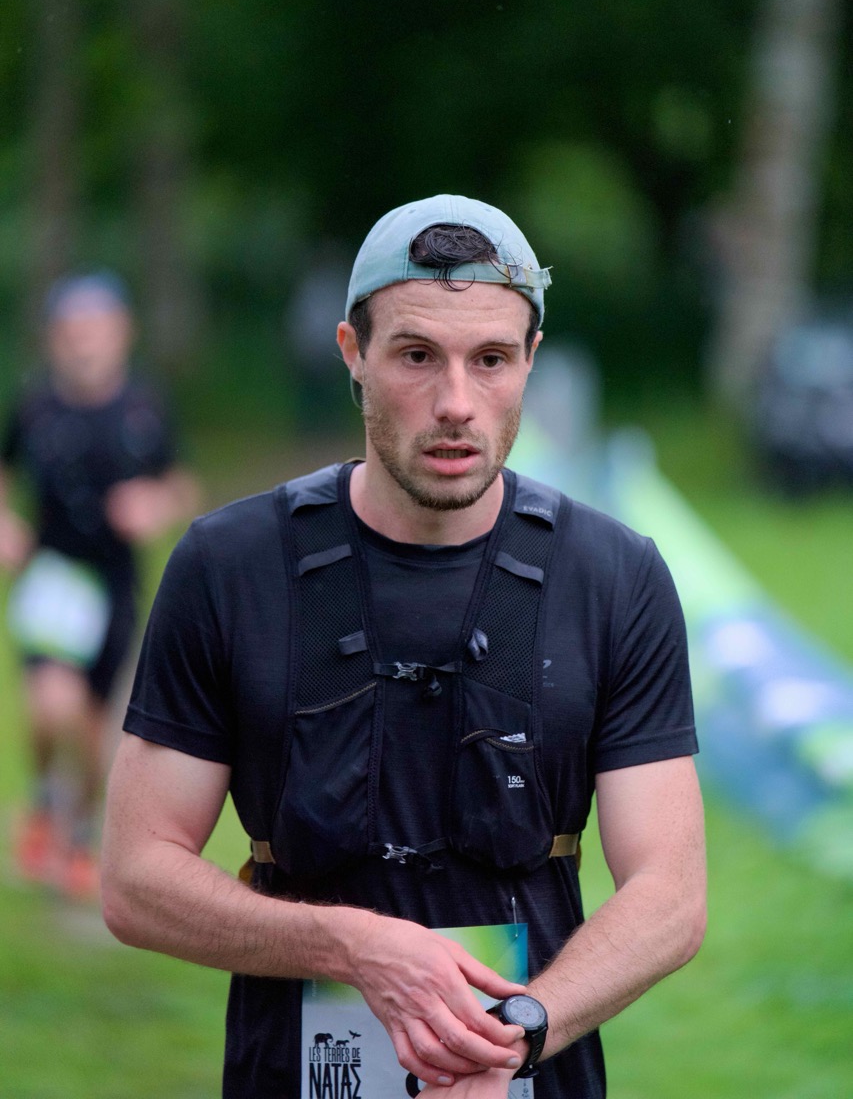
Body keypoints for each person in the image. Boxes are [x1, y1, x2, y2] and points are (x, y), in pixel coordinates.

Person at [101, 195, 706, 1098]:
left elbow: (670, 895)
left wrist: (519, 1032)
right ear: (352, 351)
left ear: (530, 360)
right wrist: (349, 945)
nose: (455, 404)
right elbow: (135, 878)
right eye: (416, 356)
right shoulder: (229, 567)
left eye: (490, 360)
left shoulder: (613, 577)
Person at [0, 271, 198, 901]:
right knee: (50, 705)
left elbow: (180, 486)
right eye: (71, 330)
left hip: (115, 586)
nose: (84, 341)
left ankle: (80, 829)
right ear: (54, 338)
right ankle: (42, 801)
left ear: (121, 333)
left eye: (96, 329)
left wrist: (152, 503)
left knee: (92, 730)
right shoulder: (35, 406)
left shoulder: (144, 407)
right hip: (52, 576)